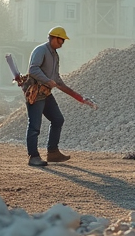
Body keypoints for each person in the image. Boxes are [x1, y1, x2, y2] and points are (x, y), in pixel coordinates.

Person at [16, 26, 94, 167]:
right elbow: (33, 69)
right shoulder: (40, 50)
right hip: (36, 92)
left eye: (63, 41)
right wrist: (47, 80)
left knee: (58, 119)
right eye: (60, 40)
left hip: (46, 93)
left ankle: (53, 152)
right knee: (34, 125)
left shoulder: (55, 55)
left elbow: (57, 79)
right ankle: (33, 157)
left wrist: (79, 98)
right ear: (53, 37)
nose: (62, 43)